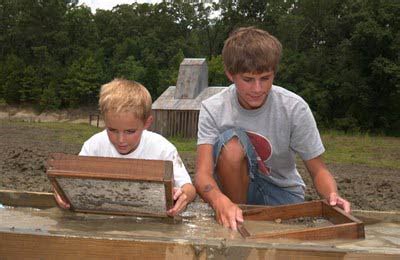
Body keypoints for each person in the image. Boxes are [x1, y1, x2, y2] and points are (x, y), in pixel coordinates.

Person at [195, 27, 350, 231]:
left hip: (282, 195)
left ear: (274, 73)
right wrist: (218, 201)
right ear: (230, 74)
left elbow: (318, 169)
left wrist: (332, 195)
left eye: (265, 78)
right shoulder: (213, 108)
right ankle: (237, 219)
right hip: (234, 195)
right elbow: (202, 174)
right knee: (231, 145)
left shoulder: (294, 107)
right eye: (248, 79)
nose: (258, 89)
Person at [54, 78, 196, 216]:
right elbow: (69, 180)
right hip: (101, 219)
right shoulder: (94, 146)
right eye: (112, 130)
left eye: (130, 132)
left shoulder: (163, 149)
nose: (121, 140)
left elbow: (189, 188)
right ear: (105, 120)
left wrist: (184, 195)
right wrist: (61, 192)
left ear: (147, 123)